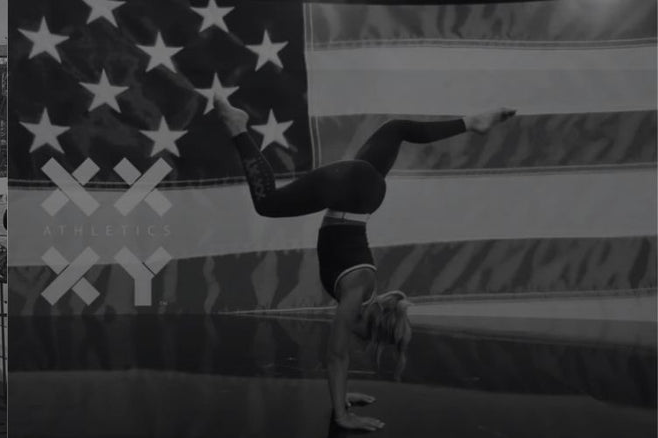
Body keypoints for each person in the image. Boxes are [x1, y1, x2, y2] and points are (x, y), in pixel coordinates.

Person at [214, 101, 515, 432]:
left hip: (362, 193)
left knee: (396, 128)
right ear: (369, 329)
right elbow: (336, 355)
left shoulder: (361, 290)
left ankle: (471, 122)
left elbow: (341, 354)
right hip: (353, 188)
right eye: (363, 341)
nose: (353, 342)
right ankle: (237, 126)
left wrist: (341, 395)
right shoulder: (357, 289)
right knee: (267, 203)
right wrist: (342, 416)